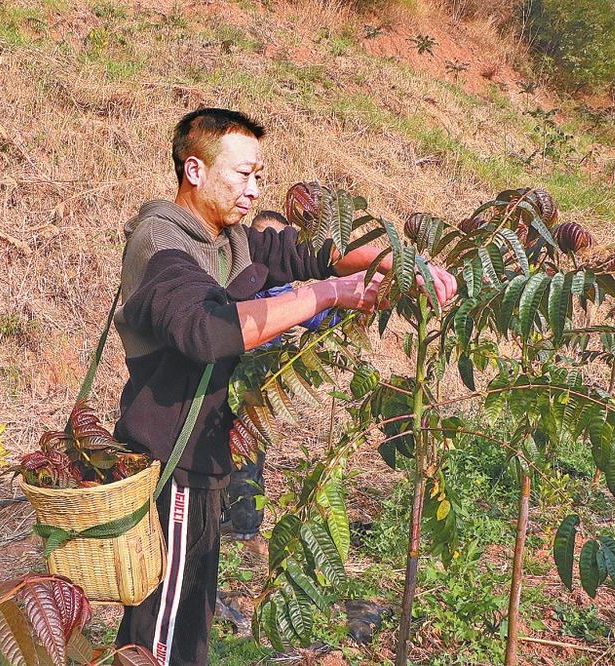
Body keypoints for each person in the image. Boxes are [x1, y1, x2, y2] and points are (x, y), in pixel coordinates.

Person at [113, 107, 456, 665]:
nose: (254, 190)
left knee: (190, 615)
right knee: (163, 628)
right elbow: (207, 331)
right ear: (194, 170)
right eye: (242, 174)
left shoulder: (228, 239)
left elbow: (308, 252)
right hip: (171, 461)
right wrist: (327, 294)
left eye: (259, 176)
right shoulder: (162, 245)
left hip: (202, 454)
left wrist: (400, 262)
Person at [220, 209, 340, 541]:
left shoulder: (280, 292)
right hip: (233, 377)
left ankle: (244, 524)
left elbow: (320, 317)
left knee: (247, 452)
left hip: (257, 383)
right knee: (235, 450)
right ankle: (234, 518)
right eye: (265, 240)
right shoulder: (238, 282)